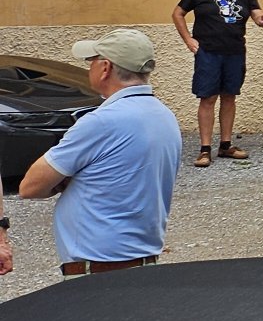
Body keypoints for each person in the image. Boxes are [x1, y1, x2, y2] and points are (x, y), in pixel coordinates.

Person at [15, 29, 182, 277]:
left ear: (105, 68)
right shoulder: (164, 115)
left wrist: (64, 181)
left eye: (91, 61)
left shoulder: (101, 121)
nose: (88, 68)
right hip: (141, 259)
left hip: (98, 269)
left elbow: (30, 186)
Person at [172, 0, 263, 166]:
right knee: (207, 98)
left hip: (235, 52)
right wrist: (188, 39)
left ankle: (226, 145)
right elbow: (178, 13)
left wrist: (261, 18)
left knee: (229, 96)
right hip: (208, 52)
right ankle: (205, 149)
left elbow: (255, 11)